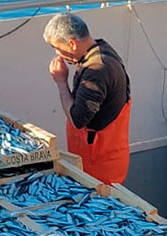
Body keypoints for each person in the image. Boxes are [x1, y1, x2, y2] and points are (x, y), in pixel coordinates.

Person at [43, 13, 131, 184]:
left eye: (56, 47)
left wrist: (61, 82)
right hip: (108, 156)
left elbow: (78, 119)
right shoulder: (102, 49)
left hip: (99, 165)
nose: (57, 54)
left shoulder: (96, 71)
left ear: (71, 44)